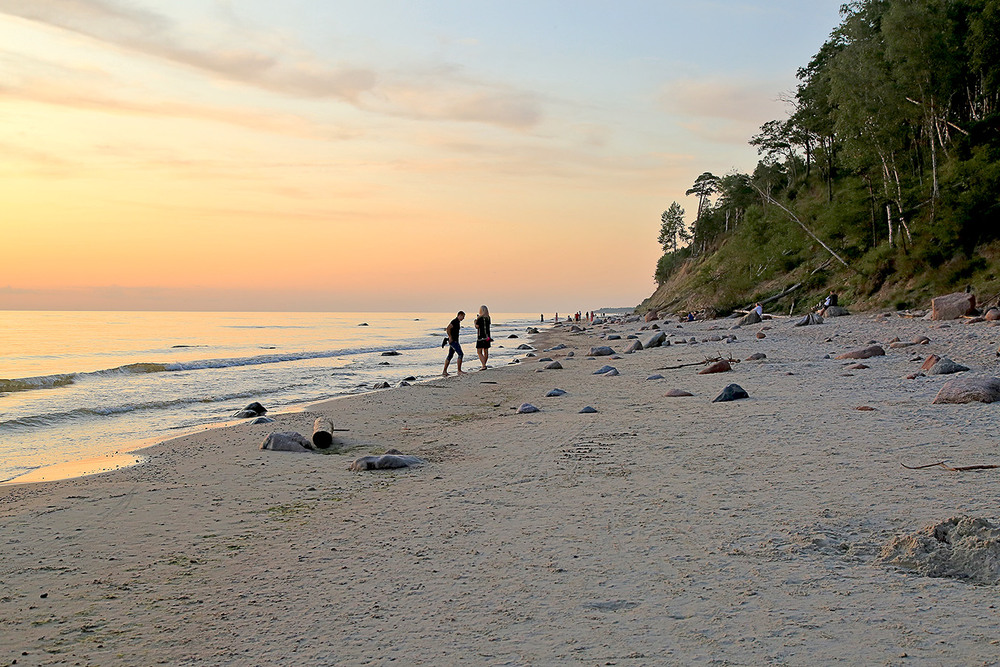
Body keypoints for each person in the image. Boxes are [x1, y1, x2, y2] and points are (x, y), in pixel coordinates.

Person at [442, 311, 465, 376]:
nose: (463, 318)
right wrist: (450, 337)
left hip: (455, 341)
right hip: (453, 341)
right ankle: (459, 371)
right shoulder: (454, 321)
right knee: (460, 354)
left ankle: (444, 371)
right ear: (459, 315)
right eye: (463, 316)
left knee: (450, 356)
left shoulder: (457, 322)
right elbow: (448, 328)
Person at [474, 305, 492, 370]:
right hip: (487, 337)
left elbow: (477, 327)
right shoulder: (488, 318)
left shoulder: (479, 318)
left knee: (479, 352)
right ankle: (484, 364)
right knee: (486, 351)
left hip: (481, 337)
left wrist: (475, 322)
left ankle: (483, 365)